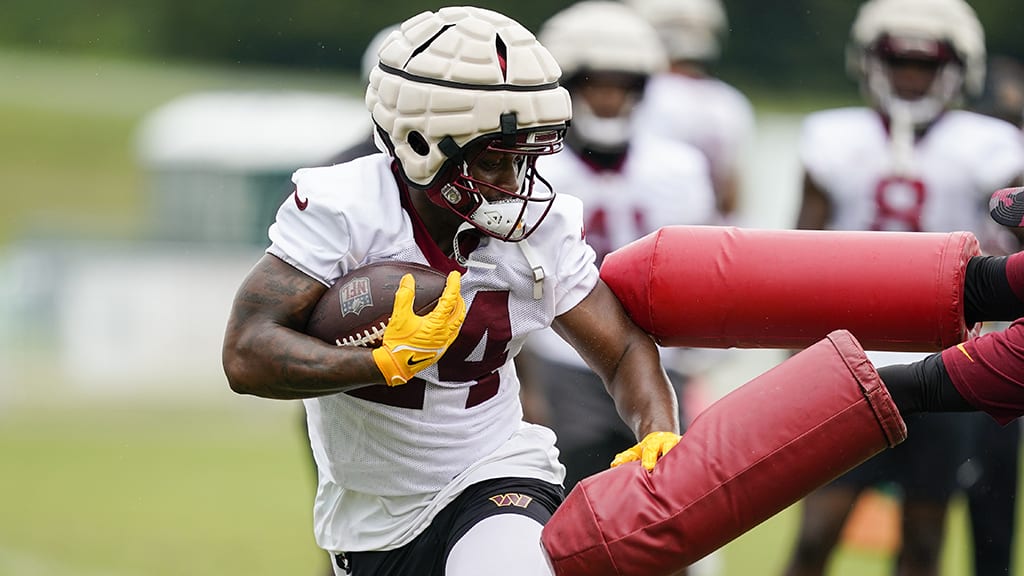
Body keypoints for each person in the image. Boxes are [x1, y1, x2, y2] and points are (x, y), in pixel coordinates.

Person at [221, 7, 682, 576]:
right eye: (492, 161)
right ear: (422, 145)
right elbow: (246, 354)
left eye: (523, 161)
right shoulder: (345, 209)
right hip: (372, 511)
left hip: (497, 470)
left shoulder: (542, 226)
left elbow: (623, 349)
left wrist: (657, 425)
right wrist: (380, 362)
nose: (514, 187)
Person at [782, 0, 1024, 575]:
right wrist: (791, 354)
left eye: (925, 64)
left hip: (949, 360)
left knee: (923, 537)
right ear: (871, 61)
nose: (910, 77)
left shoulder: (992, 144)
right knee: (817, 531)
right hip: (847, 356)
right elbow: (796, 253)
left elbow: (1012, 260)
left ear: (956, 66)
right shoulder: (831, 137)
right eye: (897, 61)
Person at [516, 0, 716, 493]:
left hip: (657, 362)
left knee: (670, 516)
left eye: (621, 85)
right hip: (561, 358)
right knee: (568, 516)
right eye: (595, 84)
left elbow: (699, 273)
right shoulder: (532, 167)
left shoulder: (679, 168)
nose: (608, 98)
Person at [624, 0, 755, 222]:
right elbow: (732, 196)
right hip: (710, 235)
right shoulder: (731, 101)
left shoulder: (649, 95)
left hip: (656, 231)